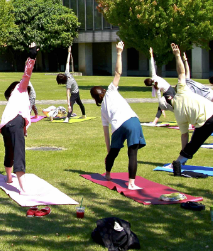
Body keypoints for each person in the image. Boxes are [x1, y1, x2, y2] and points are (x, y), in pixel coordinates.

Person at [90, 42, 146, 190]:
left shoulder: (102, 109)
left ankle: (107, 174)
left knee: (114, 153)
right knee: (132, 153)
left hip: (118, 127)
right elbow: (118, 72)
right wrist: (119, 52)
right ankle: (132, 183)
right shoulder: (110, 90)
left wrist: (109, 152)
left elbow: (106, 133)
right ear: (102, 90)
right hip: (132, 121)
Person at [166, 44, 213, 175]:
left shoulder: (178, 114)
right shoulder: (181, 90)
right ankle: (181, 160)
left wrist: (184, 151)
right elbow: (181, 72)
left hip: (205, 121)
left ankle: (179, 162)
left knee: (194, 144)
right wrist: (177, 56)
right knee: (194, 141)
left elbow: (184, 135)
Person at [0, 43, 39, 195]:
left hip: (5, 126)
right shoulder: (20, 89)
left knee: (9, 151)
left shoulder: (12, 98)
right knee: (19, 153)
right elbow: (27, 74)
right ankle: (23, 188)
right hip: (15, 122)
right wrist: (32, 56)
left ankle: (9, 178)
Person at [144, 47, 174, 125]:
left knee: (175, 106)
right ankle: (155, 121)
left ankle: (155, 121)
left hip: (169, 92)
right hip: (169, 90)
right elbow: (152, 66)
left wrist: (162, 108)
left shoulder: (155, 87)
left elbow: (159, 97)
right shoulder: (154, 77)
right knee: (164, 106)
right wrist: (151, 54)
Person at [56, 46, 86, 122]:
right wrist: (69, 52)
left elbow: (67, 95)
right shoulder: (66, 73)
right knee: (79, 103)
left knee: (71, 104)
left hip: (75, 92)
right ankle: (84, 115)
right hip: (76, 89)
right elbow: (67, 62)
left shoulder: (68, 83)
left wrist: (68, 104)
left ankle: (67, 118)